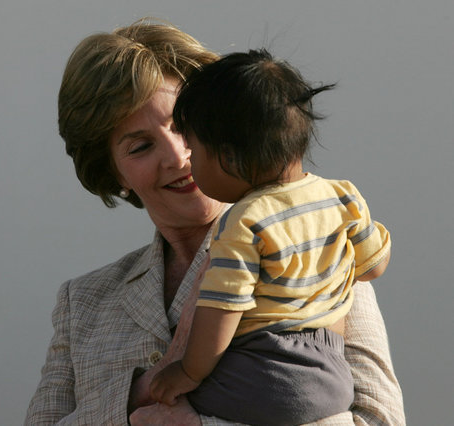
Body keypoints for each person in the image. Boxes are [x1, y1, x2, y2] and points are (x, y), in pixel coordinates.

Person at [24, 18, 405, 425]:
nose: (177, 156)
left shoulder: (318, 246)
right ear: (115, 174)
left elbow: (379, 419)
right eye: (140, 146)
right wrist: (143, 390)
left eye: (184, 127)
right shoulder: (81, 304)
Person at [149, 49, 391, 426]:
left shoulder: (245, 221)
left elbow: (221, 313)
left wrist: (188, 373)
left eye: (194, 151)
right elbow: (373, 267)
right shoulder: (344, 196)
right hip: (333, 375)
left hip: (267, 375)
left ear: (228, 157)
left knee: (176, 401)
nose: (188, 163)